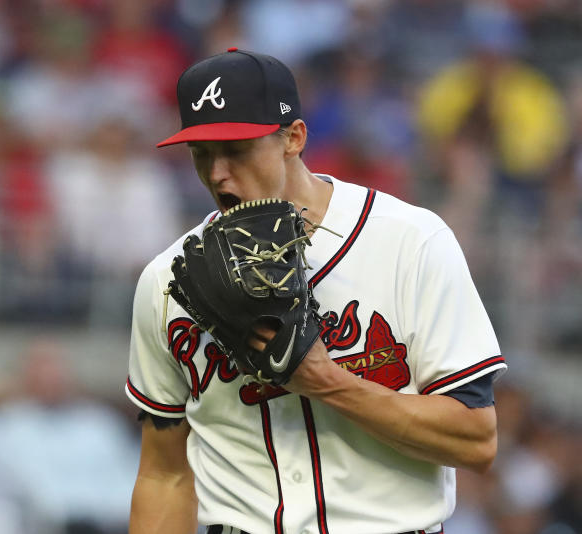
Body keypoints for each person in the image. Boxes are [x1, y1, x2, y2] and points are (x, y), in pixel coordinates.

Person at [125, 48, 507, 534]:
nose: (218, 173)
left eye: (237, 149)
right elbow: (164, 476)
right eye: (202, 153)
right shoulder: (168, 282)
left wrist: (327, 382)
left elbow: (475, 440)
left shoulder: (410, 243)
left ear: (294, 138)